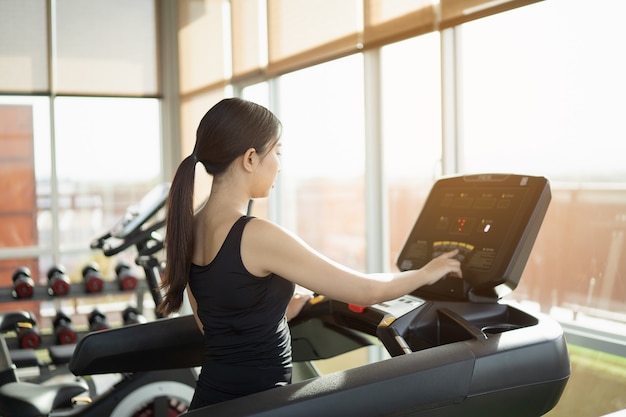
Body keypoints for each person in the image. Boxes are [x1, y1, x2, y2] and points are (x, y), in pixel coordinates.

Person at [157, 97, 462, 410]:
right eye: (277, 152)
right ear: (250, 158)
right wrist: (428, 272)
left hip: (213, 401)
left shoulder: (190, 227)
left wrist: (278, 310)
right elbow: (367, 290)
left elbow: (216, 325)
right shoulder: (256, 235)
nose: (279, 165)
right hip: (258, 404)